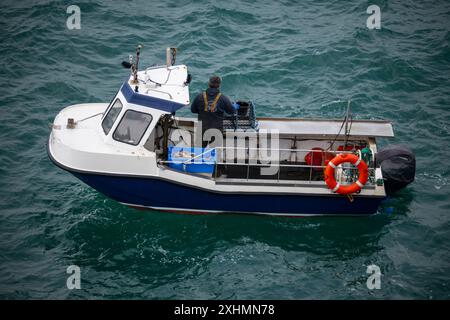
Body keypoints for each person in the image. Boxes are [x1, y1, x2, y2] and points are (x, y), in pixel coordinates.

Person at [191, 76, 236, 147]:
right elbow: (232, 111)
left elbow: (193, 110)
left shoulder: (199, 97)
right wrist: (233, 106)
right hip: (216, 130)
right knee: (214, 153)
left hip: (202, 129)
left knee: (199, 151)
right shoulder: (223, 98)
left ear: (209, 83)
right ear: (219, 85)